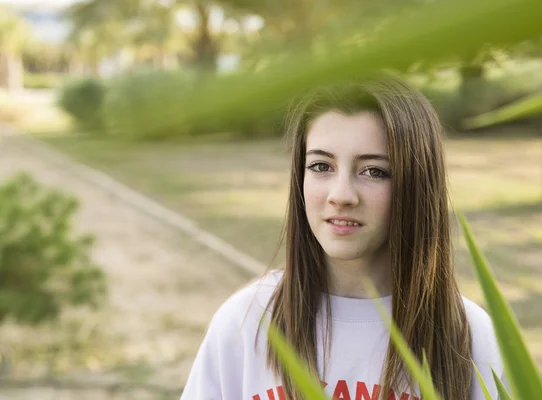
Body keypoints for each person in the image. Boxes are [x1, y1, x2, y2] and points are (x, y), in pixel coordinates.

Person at [181, 74, 507, 400]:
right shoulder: (246, 321)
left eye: (374, 171)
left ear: (417, 186)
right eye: (321, 166)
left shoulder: (469, 338)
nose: (341, 195)